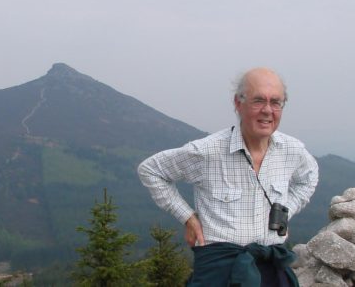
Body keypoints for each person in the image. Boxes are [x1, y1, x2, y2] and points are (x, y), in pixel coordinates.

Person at [137, 68, 319, 287]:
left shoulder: (292, 150)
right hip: (220, 272)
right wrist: (187, 217)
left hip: (271, 269)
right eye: (258, 100)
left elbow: (309, 178)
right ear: (238, 103)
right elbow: (151, 170)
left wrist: (285, 209)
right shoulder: (207, 151)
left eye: (276, 102)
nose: (267, 110)